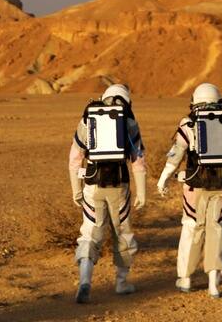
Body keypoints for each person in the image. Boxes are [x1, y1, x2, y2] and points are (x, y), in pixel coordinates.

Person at [156, 82, 222, 299]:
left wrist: (163, 179)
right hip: (221, 186)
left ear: (195, 101)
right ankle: (214, 283)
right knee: (217, 229)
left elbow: (176, 155)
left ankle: (185, 279)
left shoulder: (188, 124)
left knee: (191, 228)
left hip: (194, 187)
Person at [67, 81, 147, 304]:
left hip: (92, 187)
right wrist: (141, 192)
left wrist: (76, 190)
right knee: (122, 232)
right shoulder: (129, 122)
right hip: (119, 187)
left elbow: (75, 158)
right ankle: (122, 283)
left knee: (90, 232)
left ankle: (85, 280)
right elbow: (138, 161)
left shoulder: (88, 119)